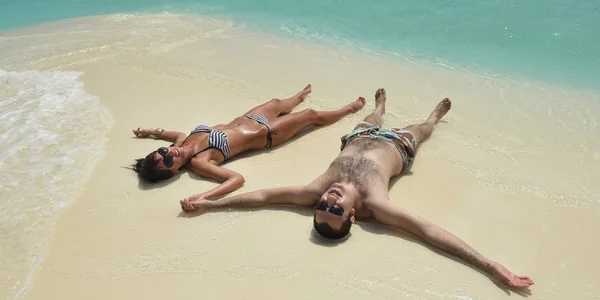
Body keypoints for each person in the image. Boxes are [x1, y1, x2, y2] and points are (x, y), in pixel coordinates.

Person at [180, 88, 534, 290]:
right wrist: (490, 266)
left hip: (358, 137)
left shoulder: (317, 189)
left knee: (371, 118)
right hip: (399, 146)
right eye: (335, 211)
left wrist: (211, 205)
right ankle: (433, 118)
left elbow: (263, 198)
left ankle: (380, 107)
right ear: (352, 215)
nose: (329, 201)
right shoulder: (374, 204)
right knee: (422, 129)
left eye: (323, 206)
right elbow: (429, 232)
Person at [132, 84, 366, 200]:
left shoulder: (182, 143)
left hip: (248, 118)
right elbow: (236, 179)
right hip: (266, 134)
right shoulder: (199, 163)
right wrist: (205, 197)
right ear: (173, 172)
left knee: (278, 101)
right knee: (310, 116)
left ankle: (297, 97)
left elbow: (172, 135)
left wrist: (151, 131)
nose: (169, 152)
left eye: (162, 151)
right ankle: (347, 109)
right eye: (168, 160)